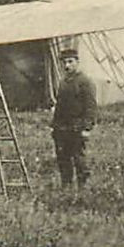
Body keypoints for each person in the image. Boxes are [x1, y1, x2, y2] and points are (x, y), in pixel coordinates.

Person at [51, 47, 97, 187]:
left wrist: (87, 128)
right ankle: (67, 187)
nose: (67, 66)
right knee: (63, 158)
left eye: (70, 62)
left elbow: (91, 107)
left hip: (77, 127)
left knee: (79, 158)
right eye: (64, 62)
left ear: (77, 62)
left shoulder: (85, 82)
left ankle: (83, 188)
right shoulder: (63, 82)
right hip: (62, 128)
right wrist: (54, 126)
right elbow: (59, 106)